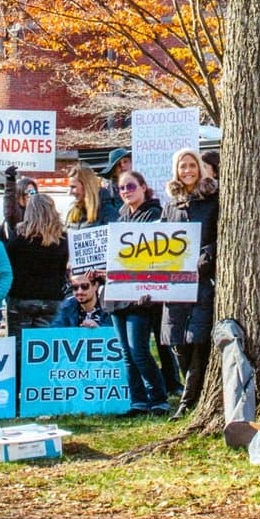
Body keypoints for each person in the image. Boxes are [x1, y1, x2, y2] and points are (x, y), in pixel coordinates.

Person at [161, 149, 220, 420]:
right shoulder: (171, 204)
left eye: (192, 165)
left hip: (202, 280)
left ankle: (187, 402)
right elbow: (159, 240)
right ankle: (192, 391)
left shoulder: (213, 198)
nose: (187, 170)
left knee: (197, 340)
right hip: (175, 283)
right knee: (177, 343)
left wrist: (207, 254)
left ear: (199, 167)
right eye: (182, 166)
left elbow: (224, 233)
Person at [106, 170, 171, 417]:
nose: (125, 192)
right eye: (121, 188)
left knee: (139, 351)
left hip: (140, 295)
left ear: (144, 187)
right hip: (117, 294)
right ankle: (138, 402)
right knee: (126, 354)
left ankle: (159, 399)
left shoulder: (154, 215)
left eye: (131, 186)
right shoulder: (120, 217)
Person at [4, 194, 69, 344]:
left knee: (18, 346)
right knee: (45, 347)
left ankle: (20, 368)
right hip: (51, 297)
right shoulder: (62, 238)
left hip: (21, 296)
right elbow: (62, 269)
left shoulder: (19, 236)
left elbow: (9, 264)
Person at [66, 164, 117, 229]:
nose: (70, 192)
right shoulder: (72, 210)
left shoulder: (108, 212)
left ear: (87, 186)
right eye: (69, 187)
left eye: (73, 187)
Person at [0, 165, 39, 239]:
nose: (29, 195)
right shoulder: (15, 214)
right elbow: (9, 201)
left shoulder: (41, 211)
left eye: (32, 192)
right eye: (26, 192)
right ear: (19, 194)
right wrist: (10, 180)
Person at [99, 148, 132, 224]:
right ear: (113, 172)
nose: (122, 165)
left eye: (125, 161)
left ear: (131, 163)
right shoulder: (107, 193)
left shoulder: (141, 184)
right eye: (118, 164)